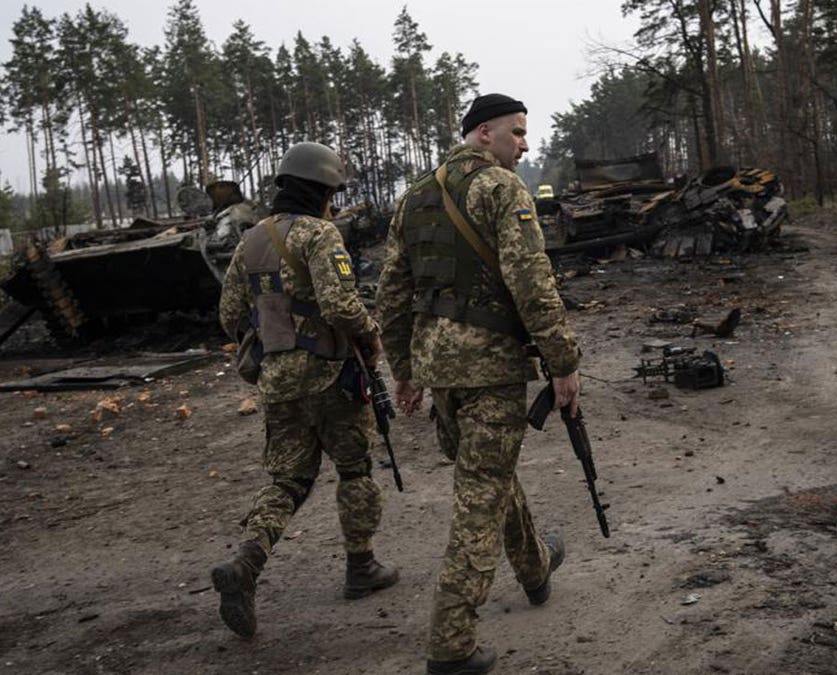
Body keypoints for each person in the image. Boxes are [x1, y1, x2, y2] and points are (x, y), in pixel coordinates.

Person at [377, 93, 581, 674]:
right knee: (479, 499)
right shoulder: (501, 190)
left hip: (440, 370)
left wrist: (406, 371)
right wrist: (563, 360)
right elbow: (532, 283)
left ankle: (536, 567)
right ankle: (451, 642)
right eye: (517, 133)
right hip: (489, 367)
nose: (525, 144)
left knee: (486, 475)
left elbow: (391, 293)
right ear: (484, 133)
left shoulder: (413, 196)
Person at [211, 141, 399, 640]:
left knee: (288, 481)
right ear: (322, 192)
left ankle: (246, 563)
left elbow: (230, 316)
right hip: (331, 374)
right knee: (355, 469)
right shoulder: (321, 236)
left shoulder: (250, 240)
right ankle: (362, 567)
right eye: (333, 192)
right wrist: (371, 333)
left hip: (276, 380)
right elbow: (340, 304)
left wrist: (275, 337)